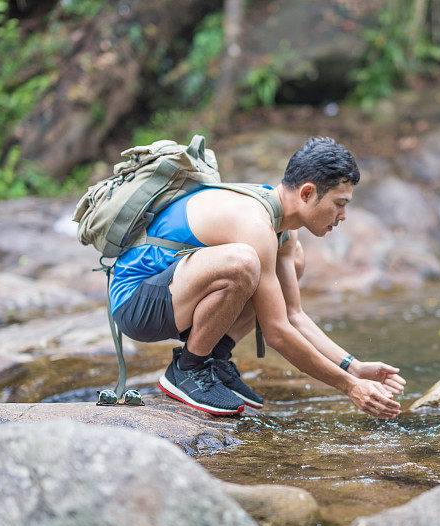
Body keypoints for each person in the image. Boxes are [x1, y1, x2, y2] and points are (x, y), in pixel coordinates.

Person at [108, 137, 405, 418]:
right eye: (339, 203)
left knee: (287, 261)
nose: (342, 216)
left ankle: (216, 357)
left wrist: (352, 367)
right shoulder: (253, 221)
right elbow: (276, 332)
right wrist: (348, 387)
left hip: (172, 294)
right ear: (307, 193)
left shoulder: (284, 230)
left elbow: (293, 315)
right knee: (245, 263)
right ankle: (188, 368)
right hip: (136, 302)